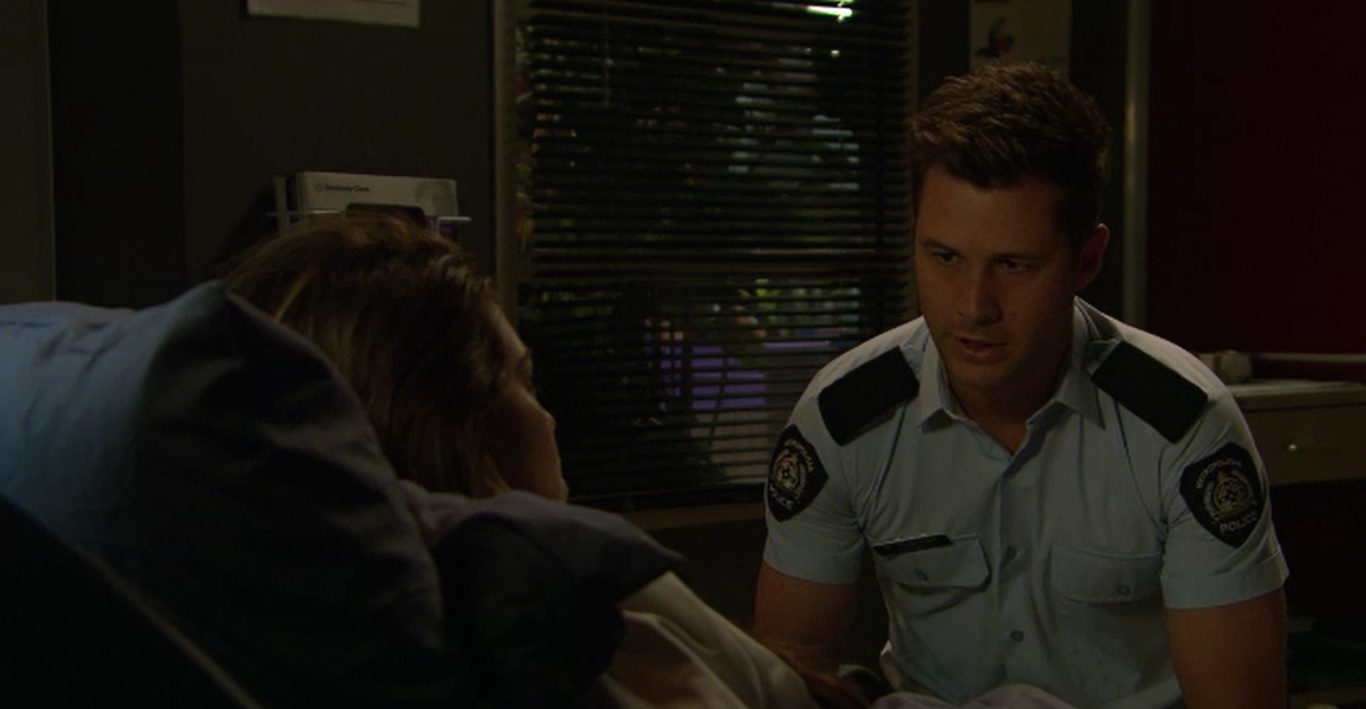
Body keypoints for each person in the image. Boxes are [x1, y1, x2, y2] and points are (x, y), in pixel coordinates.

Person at [753, 61, 1289, 709]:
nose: (973, 306)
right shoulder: (844, 418)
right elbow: (782, 686)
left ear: (1086, 258)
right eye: (944, 257)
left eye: (1013, 264)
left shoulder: (1181, 426)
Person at [222, 212, 869, 709]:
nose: (547, 417)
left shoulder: (259, 633)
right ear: (463, 425)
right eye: (525, 381)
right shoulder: (571, 607)